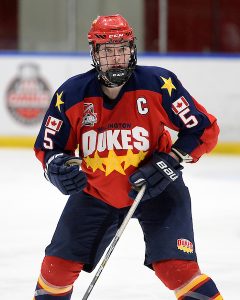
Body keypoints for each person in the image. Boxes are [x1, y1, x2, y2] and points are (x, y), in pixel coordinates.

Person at [33, 14, 223, 300]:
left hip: (156, 187)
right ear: (94, 54)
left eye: (122, 48)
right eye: (108, 51)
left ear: (132, 49)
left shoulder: (158, 84)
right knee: (55, 271)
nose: (117, 57)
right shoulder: (72, 94)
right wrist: (56, 167)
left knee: (177, 270)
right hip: (96, 190)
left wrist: (171, 160)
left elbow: (203, 129)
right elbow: (49, 148)